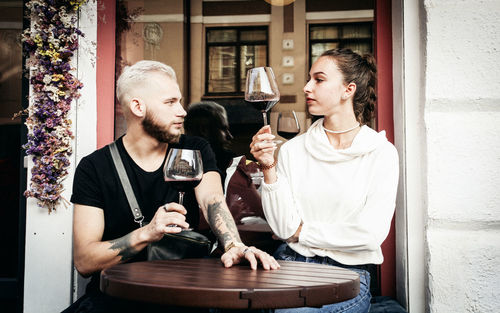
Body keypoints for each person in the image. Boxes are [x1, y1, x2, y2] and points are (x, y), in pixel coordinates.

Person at [68, 60, 279, 313]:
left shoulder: (195, 149)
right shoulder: (94, 167)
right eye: (170, 103)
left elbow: (211, 200)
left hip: (185, 295)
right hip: (117, 299)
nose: (182, 111)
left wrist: (233, 244)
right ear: (137, 106)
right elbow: (84, 260)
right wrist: (147, 233)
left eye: (179, 101)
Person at [250, 48, 399, 313]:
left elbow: (370, 234)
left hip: (348, 274)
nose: (307, 87)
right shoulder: (294, 150)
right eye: (309, 79)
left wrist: (302, 232)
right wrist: (268, 165)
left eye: (319, 79)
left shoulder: (380, 152)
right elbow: (284, 228)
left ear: (348, 89)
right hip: (291, 265)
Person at [184, 101, 236, 184]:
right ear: (203, 130)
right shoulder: (230, 162)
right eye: (223, 129)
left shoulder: (176, 162)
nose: (230, 136)